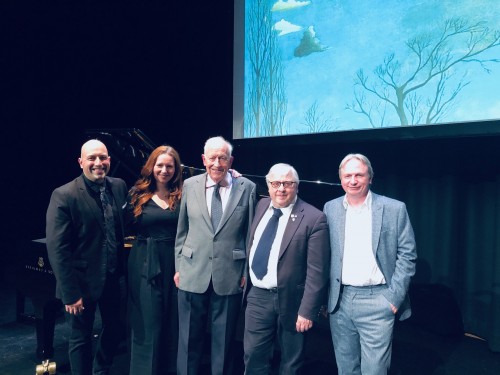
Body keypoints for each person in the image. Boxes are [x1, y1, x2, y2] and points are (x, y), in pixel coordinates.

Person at [323, 153, 417, 375]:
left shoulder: (394, 208)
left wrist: (394, 298)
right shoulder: (331, 208)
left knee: (374, 370)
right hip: (340, 301)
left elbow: (408, 254)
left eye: (359, 175)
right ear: (340, 179)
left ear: (370, 178)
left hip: (379, 300)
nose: (353, 181)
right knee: (346, 368)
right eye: (347, 176)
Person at [174, 135, 256, 375]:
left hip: (230, 273)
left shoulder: (247, 188)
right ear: (203, 159)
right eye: (212, 158)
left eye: (222, 158)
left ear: (231, 160)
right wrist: (179, 266)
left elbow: (249, 234)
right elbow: (182, 230)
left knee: (224, 343)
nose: (217, 163)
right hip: (191, 270)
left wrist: (245, 273)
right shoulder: (190, 185)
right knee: (188, 340)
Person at [46, 139, 128, 375]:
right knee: (80, 338)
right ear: (81, 162)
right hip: (81, 283)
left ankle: (101, 370)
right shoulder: (64, 194)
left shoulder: (119, 186)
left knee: (115, 329)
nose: (98, 163)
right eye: (92, 158)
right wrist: (70, 293)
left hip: (114, 279)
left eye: (102, 157)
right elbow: (57, 249)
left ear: (109, 160)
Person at [243, 163, 331, 374]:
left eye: (287, 183)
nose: (281, 188)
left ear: (296, 186)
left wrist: (308, 310)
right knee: (253, 356)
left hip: (294, 300)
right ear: (268, 185)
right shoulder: (260, 206)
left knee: (291, 363)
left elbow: (317, 272)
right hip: (258, 297)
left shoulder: (313, 217)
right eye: (275, 183)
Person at [126, 145, 183, 375]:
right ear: (152, 166)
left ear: (176, 169)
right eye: (160, 165)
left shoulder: (183, 193)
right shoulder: (136, 194)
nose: (164, 170)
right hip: (143, 261)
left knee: (174, 322)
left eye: (169, 165)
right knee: (147, 323)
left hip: (175, 262)